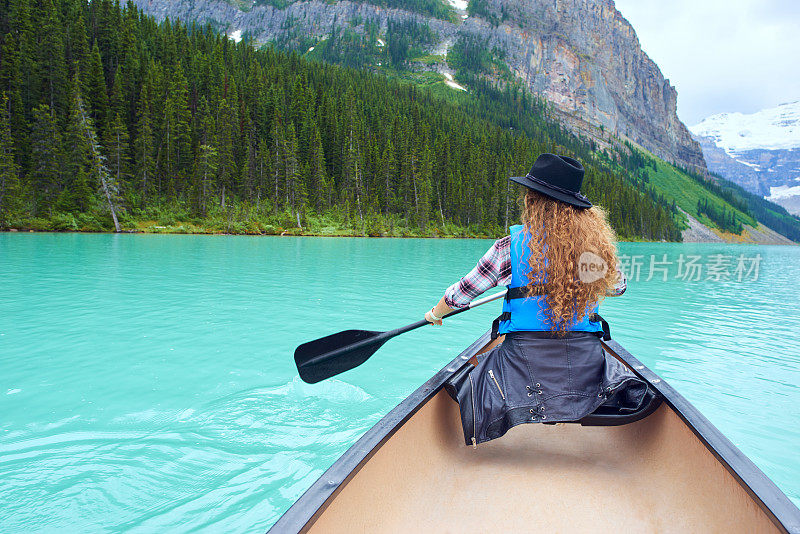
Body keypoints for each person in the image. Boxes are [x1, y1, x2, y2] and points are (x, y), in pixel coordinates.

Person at [428, 153, 646, 447]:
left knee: (466, 379)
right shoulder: (593, 251)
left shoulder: (509, 247)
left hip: (521, 368)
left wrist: (435, 313)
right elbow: (618, 288)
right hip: (584, 365)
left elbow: (461, 294)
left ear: (533, 201)